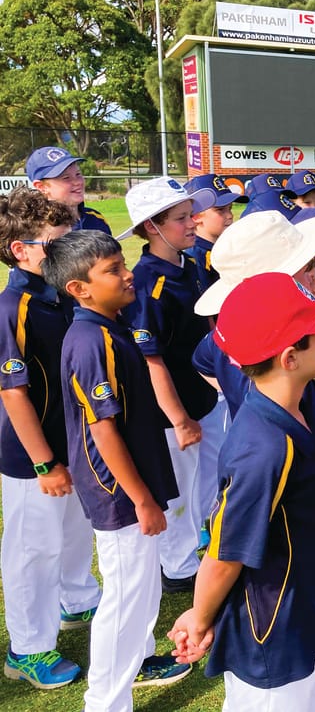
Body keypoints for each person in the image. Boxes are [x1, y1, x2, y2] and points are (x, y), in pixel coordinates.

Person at [168, 271, 315, 710]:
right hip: (272, 637)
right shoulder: (264, 446)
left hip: (299, 618)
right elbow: (225, 552)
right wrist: (200, 618)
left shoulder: (286, 415)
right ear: (290, 358)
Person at [191, 210, 315, 635]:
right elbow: (206, 362)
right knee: (295, 546)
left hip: (312, 449)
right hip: (293, 462)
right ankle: (314, 613)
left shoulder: (296, 322)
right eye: (308, 265)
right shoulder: (246, 340)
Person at [44, 230, 192, 712]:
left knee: (139, 599)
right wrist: (142, 500)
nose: (127, 274)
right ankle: (104, 702)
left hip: (132, 487)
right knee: (126, 603)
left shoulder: (111, 324)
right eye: (112, 270)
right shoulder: (90, 341)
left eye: (122, 263)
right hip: (118, 494)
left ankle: (117, 694)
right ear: (79, 289)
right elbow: (103, 431)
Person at [0, 189, 101, 690]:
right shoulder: (12, 306)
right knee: (32, 548)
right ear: (21, 249)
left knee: (75, 532)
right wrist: (44, 463)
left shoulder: (61, 293)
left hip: (74, 441)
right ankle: (27, 647)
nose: (66, 255)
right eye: (54, 246)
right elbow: (13, 393)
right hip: (31, 455)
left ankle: (77, 598)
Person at [117, 177, 224, 594]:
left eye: (191, 215)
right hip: (172, 409)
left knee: (209, 479)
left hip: (204, 396)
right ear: (151, 227)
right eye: (181, 218)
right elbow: (151, 359)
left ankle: (199, 543)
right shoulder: (146, 283)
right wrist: (179, 419)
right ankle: (178, 567)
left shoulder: (192, 265)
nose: (192, 224)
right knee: (178, 488)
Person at [183, 174, 248, 291]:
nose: (230, 215)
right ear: (196, 216)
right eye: (220, 210)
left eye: (230, 208)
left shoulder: (225, 248)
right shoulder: (195, 258)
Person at [26, 146, 112, 235]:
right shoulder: (36, 228)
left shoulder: (95, 219)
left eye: (78, 174)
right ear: (42, 187)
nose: (77, 182)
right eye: (66, 178)